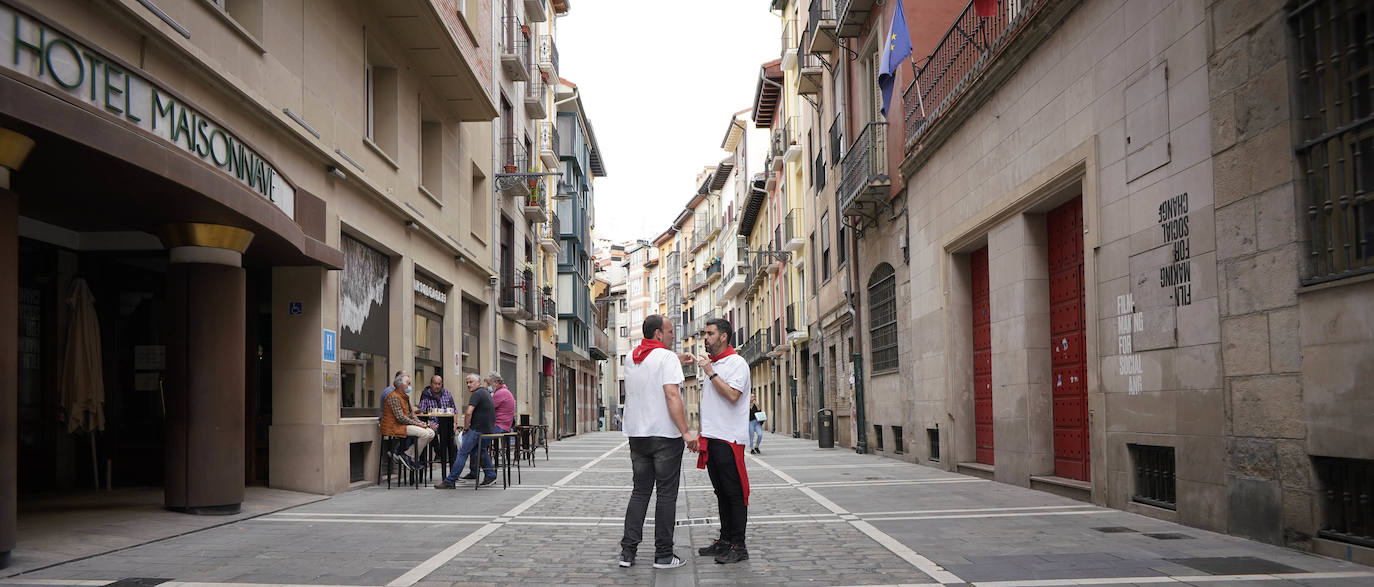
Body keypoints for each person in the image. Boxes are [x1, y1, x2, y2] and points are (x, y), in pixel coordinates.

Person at [618, 314, 698, 570]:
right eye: (670, 331)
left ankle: (627, 553)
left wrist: (676, 358)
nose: (674, 335)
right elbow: (672, 394)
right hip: (664, 436)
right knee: (666, 495)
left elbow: (650, 364)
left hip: (637, 435)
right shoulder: (664, 357)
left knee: (639, 492)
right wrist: (686, 432)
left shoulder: (631, 356)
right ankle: (664, 555)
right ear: (657, 334)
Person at [694, 318, 752, 564]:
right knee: (721, 493)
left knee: (735, 494)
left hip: (729, 439)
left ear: (724, 336)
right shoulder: (714, 364)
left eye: (710, 333)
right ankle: (725, 540)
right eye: (705, 333)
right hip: (712, 438)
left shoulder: (736, 363)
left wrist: (711, 373)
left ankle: (739, 545)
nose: (705, 338)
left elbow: (732, 395)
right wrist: (700, 434)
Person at [434, 373, 498, 488]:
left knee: (462, 453)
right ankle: (491, 474)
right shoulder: (485, 393)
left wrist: (466, 428)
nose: (468, 385)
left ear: (478, 382)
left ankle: (450, 480)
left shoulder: (477, 394)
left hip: (477, 430)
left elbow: (468, 412)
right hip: (488, 430)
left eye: (471, 382)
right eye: (467, 382)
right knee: (479, 451)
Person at [379, 373, 434, 470]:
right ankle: (411, 458)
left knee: (431, 433)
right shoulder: (393, 396)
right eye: (408, 383)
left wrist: (420, 423)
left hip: (403, 424)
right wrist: (417, 424)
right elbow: (400, 417)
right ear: (401, 385)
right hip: (395, 426)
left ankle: (408, 455)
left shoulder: (404, 396)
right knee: (425, 434)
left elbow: (411, 414)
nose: (410, 386)